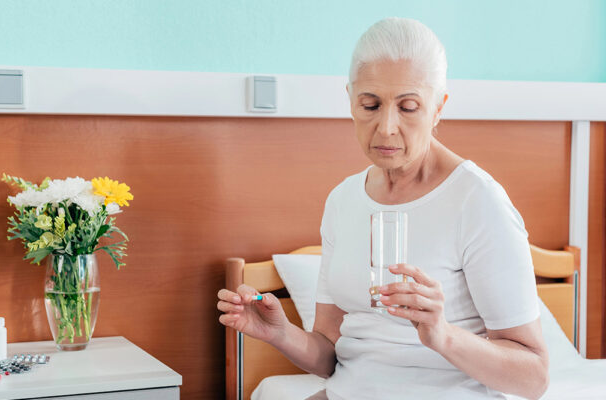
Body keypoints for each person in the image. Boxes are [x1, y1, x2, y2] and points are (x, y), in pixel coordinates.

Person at [217, 17, 548, 400]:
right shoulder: (343, 200)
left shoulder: (478, 200)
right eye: (370, 105)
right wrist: (280, 333)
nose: (386, 127)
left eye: (408, 107)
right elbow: (330, 355)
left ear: (438, 108)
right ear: (350, 100)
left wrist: (442, 335)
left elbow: (534, 378)